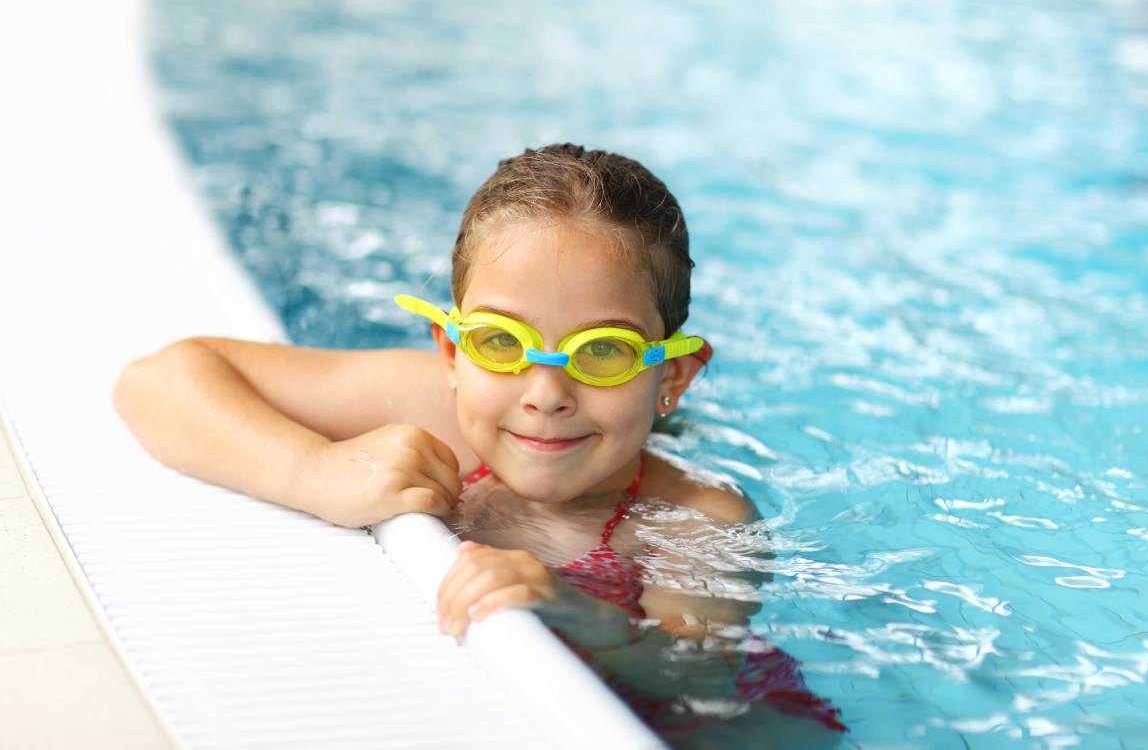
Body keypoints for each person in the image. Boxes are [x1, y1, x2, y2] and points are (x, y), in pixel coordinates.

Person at [112, 143, 848, 746]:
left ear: (672, 376)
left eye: (603, 351)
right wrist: (315, 471)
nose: (544, 391)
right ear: (452, 350)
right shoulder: (438, 403)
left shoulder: (693, 516)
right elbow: (160, 380)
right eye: (502, 342)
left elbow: (700, 676)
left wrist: (577, 611)